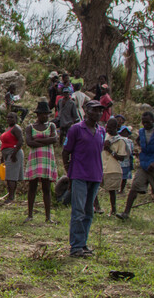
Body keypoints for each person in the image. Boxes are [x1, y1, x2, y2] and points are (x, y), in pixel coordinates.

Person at [62, 100, 105, 257]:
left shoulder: (101, 131)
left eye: (101, 111)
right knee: (78, 211)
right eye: (95, 110)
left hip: (95, 175)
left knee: (89, 212)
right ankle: (76, 247)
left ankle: (83, 243)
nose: (98, 114)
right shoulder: (76, 129)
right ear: (86, 111)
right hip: (79, 174)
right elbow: (66, 152)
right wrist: (69, 172)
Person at [24, 101, 58, 223]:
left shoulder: (51, 126)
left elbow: (54, 139)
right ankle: (30, 214)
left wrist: (37, 141)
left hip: (46, 160)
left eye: (47, 114)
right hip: (35, 160)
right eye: (43, 114)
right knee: (32, 187)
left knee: (46, 188)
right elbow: (29, 142)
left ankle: (48, 217)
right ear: (38, 114)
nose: (46, 117)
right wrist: (46, 141)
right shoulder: (30, 127)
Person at [116, 111, 154, 220]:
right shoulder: (141, 132)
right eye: (144, 122)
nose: (145, 124)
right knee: (134, 187)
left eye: (148, 122)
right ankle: (126, 213)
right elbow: (139, 141)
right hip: (144, 164)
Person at [97, 119, 126, 216]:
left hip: (112, 169)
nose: (108, 129)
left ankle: (113, 210)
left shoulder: (120, 140)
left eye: (111, 128)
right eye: (107, 127)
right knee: (93, 187)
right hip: (101, 167)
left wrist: (110, 150)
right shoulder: (105, 136)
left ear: (116, 128)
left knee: (112, 191)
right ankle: (97, 207)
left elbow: (121, 157)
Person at [0, 112, 24, 204]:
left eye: (12, 117)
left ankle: (11, 197)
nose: (9, 119)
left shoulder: (16, 128)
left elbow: (21, 140)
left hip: (14, 153)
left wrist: (14, 154)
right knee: (10, 175)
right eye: (8, 117)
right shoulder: (8, 128)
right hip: (8, 153)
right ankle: (11, 195)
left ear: (16, 119)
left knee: (11, 176)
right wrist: (2, 156)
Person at [118, 126, 134, 194]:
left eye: (126, 132)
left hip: (125, 161)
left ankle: (121, 190)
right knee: (120, 177)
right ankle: (118, 189)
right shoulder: (119, 140)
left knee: (124, 177)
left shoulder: (129, 141)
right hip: (121, 160)